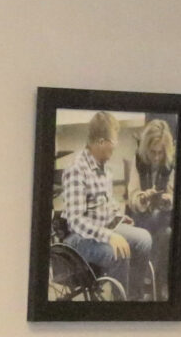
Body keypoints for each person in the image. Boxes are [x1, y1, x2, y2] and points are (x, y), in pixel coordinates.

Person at [55, 111, 150, 296]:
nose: (114, 149)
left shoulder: (104, 168)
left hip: (102, 229)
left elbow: (105, 203)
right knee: (120, 251)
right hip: (78, 238)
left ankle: (133, 298)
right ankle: (120, 307)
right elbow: (76, 221)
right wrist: (109, 236)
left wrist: (118, 218)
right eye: (112, 144)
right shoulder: (76, 170)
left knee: (144, 239)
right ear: (100, 142)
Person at [128, 117, 177, 297]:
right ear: (146, 148)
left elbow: (176, 195)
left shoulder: (171, 163)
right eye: (153, 151)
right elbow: (132, 194)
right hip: (142, 217)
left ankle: (148, 280)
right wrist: (141, 199)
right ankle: (151, 281)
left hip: (163, 217)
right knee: (156, 228)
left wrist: (169, 200)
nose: (156, 157)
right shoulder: (139, 159)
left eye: (160, 153)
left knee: (166, 233)